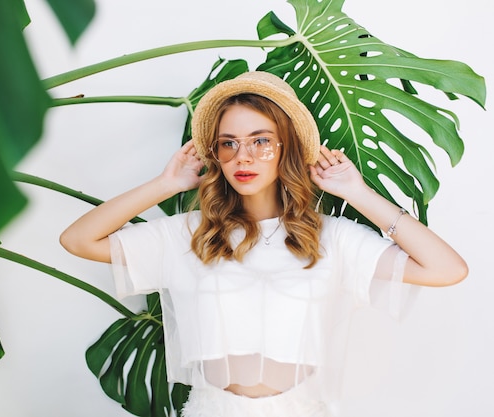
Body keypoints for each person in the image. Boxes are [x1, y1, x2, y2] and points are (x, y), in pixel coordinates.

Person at [60, 71, 468, 417]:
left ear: (285, 148)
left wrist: (358, 194)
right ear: (216, 155)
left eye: (261, 140)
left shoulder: (332, 237)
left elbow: (446, 269)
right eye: (229, 143)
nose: (244, 157)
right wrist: (166, 185)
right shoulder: (190, 234)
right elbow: (77, 240)